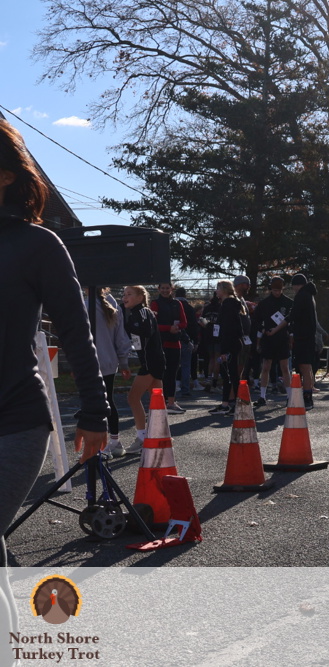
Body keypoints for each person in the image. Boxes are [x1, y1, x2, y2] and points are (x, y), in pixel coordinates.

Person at [1, 118, 109, 666]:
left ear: (5, 175)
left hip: (15, 421)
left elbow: (75, 329)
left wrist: (95, 411)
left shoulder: (35, 243)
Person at [121, 285, 166, 452]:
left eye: (129, 294)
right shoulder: (134, 314)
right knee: (157, 401)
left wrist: (127, 327)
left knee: (133, 398)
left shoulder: (142, 312)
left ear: (140, 297)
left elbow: (146, 331)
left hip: (151, 362)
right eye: (124, 294)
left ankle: (142, 437)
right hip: (153, 360)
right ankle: (159, 436)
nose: (125, 297)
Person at [92, 288, 132, 458]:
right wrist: (123, 362)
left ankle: (99, 446)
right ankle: (114, 441)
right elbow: (121, 337)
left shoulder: (84, 304)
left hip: (91, 361)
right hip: (109, 360)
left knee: (93, 404)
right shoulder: (113, 304)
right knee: (108, 401)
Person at [252, 276, 294, 408]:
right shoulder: (264, 304)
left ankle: (289, 396)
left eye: (279, 290)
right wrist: (263, 329)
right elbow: (256, 320)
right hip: (268, 338)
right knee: (266, 367)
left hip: (282, 338)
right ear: (271, 289)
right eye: (275, 290)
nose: (277, 292)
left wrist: (290, 334)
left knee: (284, 368)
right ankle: (262, 396)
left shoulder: (288, 303)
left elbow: (293, 320)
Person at [208, 280, 247, 416]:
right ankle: (226, 404)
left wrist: (225, 350)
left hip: (230, 344)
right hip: (230, 343)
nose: (216, 291)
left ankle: (235, 404)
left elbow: (228, 329)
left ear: (224, 290)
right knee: (227, 375)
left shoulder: (228, 305)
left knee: (231, 375)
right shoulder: (228, 304)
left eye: (218, 288)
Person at [150, 282, 188, 414]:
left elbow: (184, 322)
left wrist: (176, 328)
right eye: (163, 288)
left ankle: (171, 402)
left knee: (172, 373)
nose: (165, 290)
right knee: (160, 374)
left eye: (167, 288)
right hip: (161, 343)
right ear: (158, 289)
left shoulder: (177, 303)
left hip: (175, 343)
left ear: (172, 289)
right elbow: (153, 324)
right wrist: (168, 328)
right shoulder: (155, 303)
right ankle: (160, 401)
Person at [288, 273, 318, 408]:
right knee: (308, 367)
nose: (293, 289)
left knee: (304, 367)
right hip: (309, 336)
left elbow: (293, 315)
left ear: (297, 285)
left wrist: (279, 327)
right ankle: (308, 394)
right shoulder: (310, 296)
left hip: (303, 337)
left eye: (293, 286)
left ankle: (307, 398)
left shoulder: (302, 296)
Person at [173, 286, 198, 398]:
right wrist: (195, 341)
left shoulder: (173, 306)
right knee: (186, 365)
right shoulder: (190, 308)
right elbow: (194, 326)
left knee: (172, 364)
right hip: (187, 339)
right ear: (185, 295)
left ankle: (173, 386)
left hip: (173, 337)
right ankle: (185, 388)